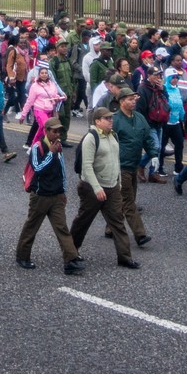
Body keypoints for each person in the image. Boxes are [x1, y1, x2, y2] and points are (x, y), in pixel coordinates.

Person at [69, 107, 138, 268]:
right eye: (106, 118)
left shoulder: (113, 136)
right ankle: (71, 252)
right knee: (83, 221)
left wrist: (118, 182)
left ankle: (125, 257)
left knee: (117, 221)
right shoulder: (91, 138)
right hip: (92, 188)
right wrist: (96, 188)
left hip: (112, 186)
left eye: (111, 118)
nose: (110, 121)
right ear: (97, 121)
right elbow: (86, 166)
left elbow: (116, 161)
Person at [16, 121, 84, 275]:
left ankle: (70, 260)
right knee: (31, 227)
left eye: (59, 132)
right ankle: (22, 256)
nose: (57, 135)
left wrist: (63, 191)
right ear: (46, 131)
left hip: (56, 196)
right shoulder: (37, 147)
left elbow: (61, 170)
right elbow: (37, 168)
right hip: (40, 196)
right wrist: (50, 154)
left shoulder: (57, 146)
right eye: (54, 131)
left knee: (62, 228)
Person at [112, 88, 155, 249]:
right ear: (121, 101)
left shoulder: (139, 118)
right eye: (130, 99)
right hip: (120, 167)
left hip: (133, 165)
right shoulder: (115, 120)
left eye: (134, 99)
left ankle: (110, 228)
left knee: (122, 200)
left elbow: (147, 138)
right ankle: (140, 234)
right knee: (129, 202)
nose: (133, 101)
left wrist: (154, 154)